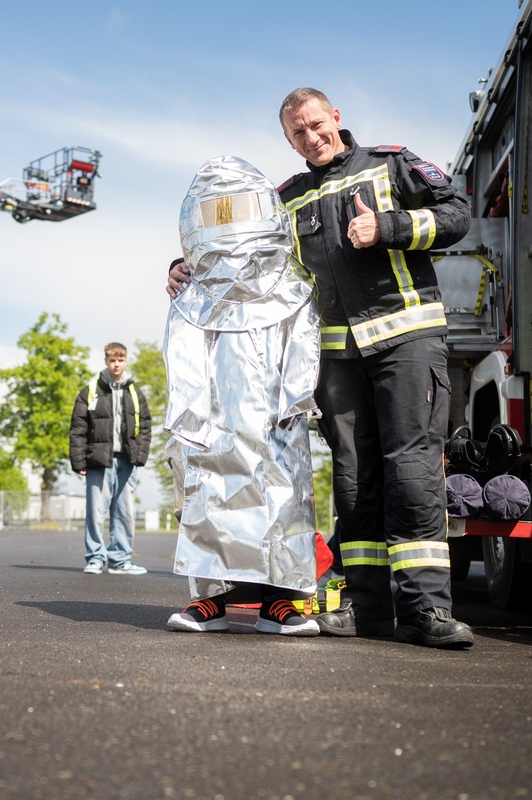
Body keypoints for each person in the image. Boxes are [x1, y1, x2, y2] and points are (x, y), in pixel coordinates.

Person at [170, 88, 474, 648]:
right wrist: (186, 268)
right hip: (335, 356)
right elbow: (242, 256)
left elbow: (458, 216)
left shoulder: (390, 165)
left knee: (411, 475)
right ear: (288, 140)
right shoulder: (283, 198)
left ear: (336, 117)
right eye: (297, 133)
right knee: (353, 481)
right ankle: (364, 607)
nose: (311, 137)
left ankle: (427, 611)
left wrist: (390, 229)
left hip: (406, 340)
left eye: (316, 124)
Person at [163, 156, 322, 636]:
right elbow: (183, 354)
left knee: (285, 500)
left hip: (277, 418)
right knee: (209, 498)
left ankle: (282, 603)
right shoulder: (194, 294)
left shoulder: (292, 285)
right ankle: (209, 601)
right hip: (215, 419)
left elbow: (303, 342)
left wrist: (295, 404)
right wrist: (191, 420)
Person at [68, 343, 152, 576]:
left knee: (124, 511)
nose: (116, 364)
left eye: (121, 360)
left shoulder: (135, 392)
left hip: (127, 460)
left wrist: (140, 455)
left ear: (125, 361)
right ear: (106, 361)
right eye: (112, 360)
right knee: (96, 510)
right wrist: (79, 462)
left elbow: (145, 426)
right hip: (97, 460)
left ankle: (120, 560)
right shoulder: (91, 390)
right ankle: (95, 558)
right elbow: (78, 428)